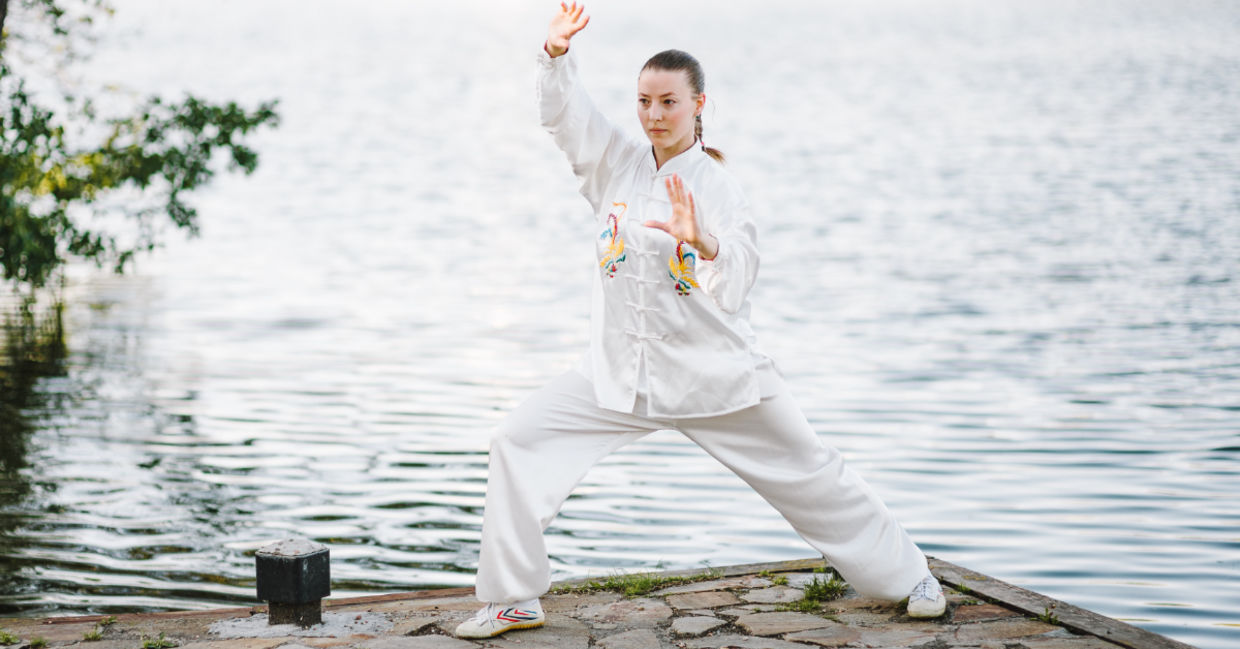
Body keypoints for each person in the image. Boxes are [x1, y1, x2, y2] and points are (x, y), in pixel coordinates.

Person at [454, 2, 947, 639]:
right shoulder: (615, 163)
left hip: (714, 375)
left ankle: (911, 577)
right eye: (644, 102)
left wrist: (703, 241)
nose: (654, 115)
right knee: (518, 440)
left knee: (812, 469)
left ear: (698, 105)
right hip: (620, 372)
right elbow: (565, 117)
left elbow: (737, 279)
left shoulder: (717, 186)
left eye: (668, 102)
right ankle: (512, 598)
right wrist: (555, 55)